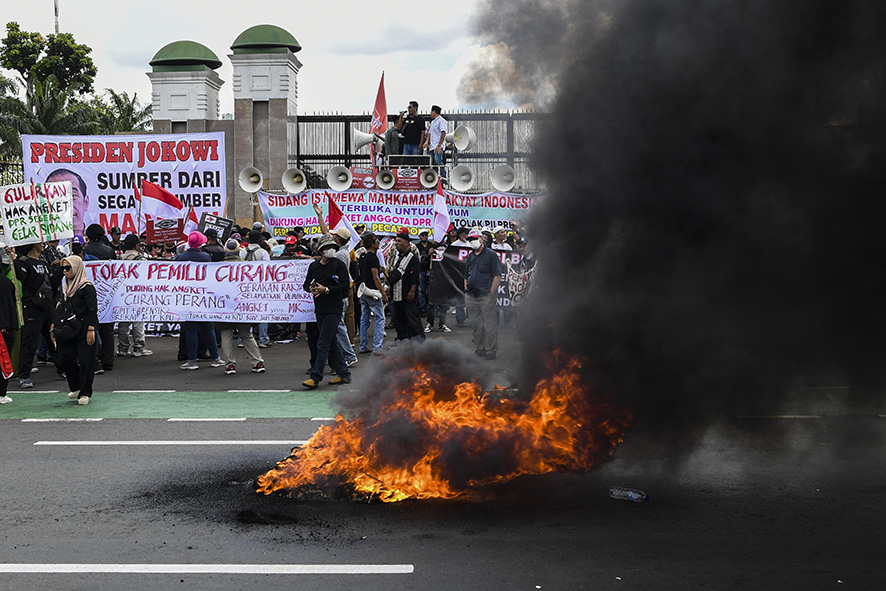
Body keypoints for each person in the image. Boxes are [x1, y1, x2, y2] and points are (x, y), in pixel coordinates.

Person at [302, 235, 352, 389]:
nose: (330, 250)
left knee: (323, 342)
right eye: (327, 248)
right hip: (320, 308)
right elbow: (305, 285)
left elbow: (345, 286)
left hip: (334, 308)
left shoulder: (338, 265)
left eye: (332, 247)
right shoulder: (314, 266)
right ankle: (344, 374)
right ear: (321, 251)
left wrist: (327, 290)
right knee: (331, 343)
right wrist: (312, 288)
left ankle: (316, 376)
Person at [14, 242, 62, 388]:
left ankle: (63, 369)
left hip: (47, 307)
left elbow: (51, 283)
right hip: (32, 307)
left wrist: (60, 270)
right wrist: (14, 258)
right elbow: (22, 277)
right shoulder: (24, 262)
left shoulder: (43, 262)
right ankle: (24, 375)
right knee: (30, 342)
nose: (42, 244)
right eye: (38, 242)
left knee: (53, 339)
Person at [51, 256, 99, 405]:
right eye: (62, 268)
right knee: (65, 357)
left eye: (68, 268)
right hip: (67, 329)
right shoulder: (64, 287)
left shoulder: (87, 287)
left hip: (84, 328)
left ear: (77, 268)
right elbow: (59, 306)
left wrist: (91, 329)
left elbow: (92, 310)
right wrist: (53, 324)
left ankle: (85, 392)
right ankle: (76, 387)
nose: (64, 271)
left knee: (86, 361)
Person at [175, 232, 224, 370]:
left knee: (190, 329)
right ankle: (215, 358)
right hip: (203, 296)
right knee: (208, 329)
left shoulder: (180, 258)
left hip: (188, 297)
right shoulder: (206, 257)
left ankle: (192, 360)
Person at [216, 239, 265, 375]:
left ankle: (230, 364)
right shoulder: (245, 266)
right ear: (239, 251)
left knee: (226, 334)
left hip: (224, 306)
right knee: (246, 334)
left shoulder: (218, 267)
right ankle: (257, 362)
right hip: (242, 306)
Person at [84, 223, 117, 373]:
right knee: (107, 328)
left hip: (90, 292)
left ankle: (94, 359)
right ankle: (108, 361)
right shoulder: (109, 250)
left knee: (91, 326)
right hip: (107, 292)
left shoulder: (85, 251)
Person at [464, 228, 502, 360]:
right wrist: (466, 290)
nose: (472, 242)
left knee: (489, 324)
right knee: (476, 324)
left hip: (486, 295)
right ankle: (480, 349)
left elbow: (497, 275)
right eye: (470, 240)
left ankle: (490, 350)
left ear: (481, 239)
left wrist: (491, 293)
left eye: (474, 239)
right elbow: (465, 275)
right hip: (471, 296)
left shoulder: (491, 255)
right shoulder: (471, 256)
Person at [116, 234, 152, 358]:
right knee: (138, 322)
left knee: (123, 322)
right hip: (137, 294)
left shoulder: (118, 259)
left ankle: (123, 347)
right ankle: (139, 347)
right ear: (137, 245)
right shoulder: (141, 260)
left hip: (122, 294)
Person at [387, 227, 424, 342]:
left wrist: (412, 291)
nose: (396, 244)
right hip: (397, 295)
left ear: (407, 243)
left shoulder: (411, 256)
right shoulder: (399, 256)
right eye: (396, 241)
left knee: (412, 319)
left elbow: (414, 276)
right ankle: (402, 340)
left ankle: (420, 343)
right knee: (399, 319)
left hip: (406, 294)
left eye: (399, 241)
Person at [358, 232, 388, 355]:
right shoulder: (373, 258)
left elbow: (360, 273)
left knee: (365, 317)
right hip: (373, 292)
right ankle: (377, 347)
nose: (378, 243)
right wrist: (383, 293)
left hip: (364, 289)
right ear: (371, 243)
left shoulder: (363, 256)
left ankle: (363, 345)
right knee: (380, 318)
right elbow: (376, 278)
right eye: (376, 242)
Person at [0, 244, 19, 404]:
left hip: (4, 327)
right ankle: (2, 393)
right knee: (4, 361)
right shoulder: (8, 283)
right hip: (7, 327)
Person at [46, 168, 89, 237]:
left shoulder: (94, 237)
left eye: (73, 195)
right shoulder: (41, 244)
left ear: (86, 202)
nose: (65, 204)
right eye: (55, 197)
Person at [422, 105, 448, 178]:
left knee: (438, 161)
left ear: (434, 112)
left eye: (431, 111)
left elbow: (443, 133)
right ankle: (435, 178)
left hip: (437, 146)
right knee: (433, 163)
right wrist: (427, 141)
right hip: (432, 146)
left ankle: (444, 177)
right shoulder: (433, 122)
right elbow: (430, 133)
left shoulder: (442, 121)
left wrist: (439, 145)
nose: (430, 113)